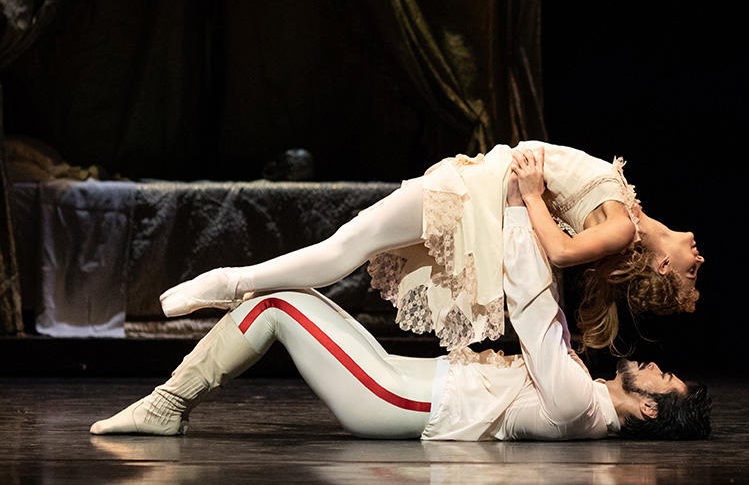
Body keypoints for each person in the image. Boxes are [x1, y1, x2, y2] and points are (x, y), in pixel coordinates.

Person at [90, 176, 711, 441]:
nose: (655, 367)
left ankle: (168, 405)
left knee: (277, 307)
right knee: (293, 297)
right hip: (394, 379)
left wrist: (523, 204)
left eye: (663, 379)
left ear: (650, 406)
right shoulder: (584, 396)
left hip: (390, 397)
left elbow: (532, 308)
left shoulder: (580, 403)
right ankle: (172, 398)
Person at [158, 141, 705, 354]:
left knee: (346, 248)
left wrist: (533, 194)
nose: (699, 260)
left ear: (662, 265)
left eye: (691, 276)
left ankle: (230, 282)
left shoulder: (625, 231)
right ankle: (231, 284)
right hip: (475, 197)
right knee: (345, 249)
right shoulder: (627, 212)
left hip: (474, 202)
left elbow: (561, 254)